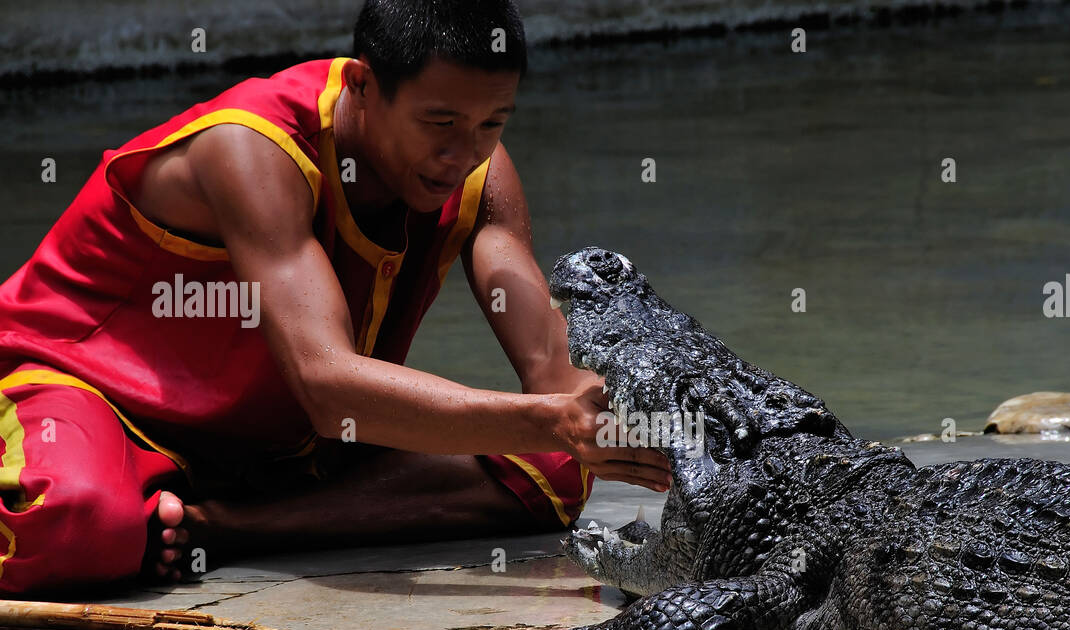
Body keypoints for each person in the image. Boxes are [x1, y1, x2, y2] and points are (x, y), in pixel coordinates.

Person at [0, 0, 671, 594]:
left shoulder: (481, 173)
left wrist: (628, 428)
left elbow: (553, 374)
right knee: (77, 523)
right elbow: (329, 389)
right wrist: (554, 418)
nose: (462, 154)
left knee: (555, 469)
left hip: (275, 449)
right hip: (82, 396)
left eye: (492, 122)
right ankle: (147, 509)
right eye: (440, 121)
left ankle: (218, 529)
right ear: (362, 85)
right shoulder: (251, 150)